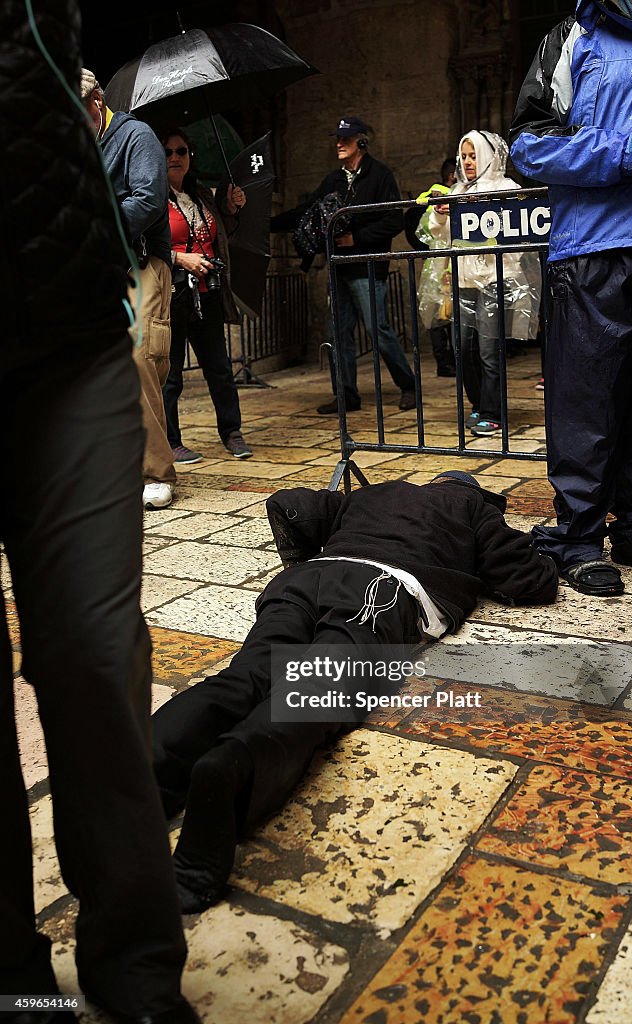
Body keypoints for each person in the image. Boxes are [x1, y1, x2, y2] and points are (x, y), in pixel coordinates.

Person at [2, 7, 197, 1024]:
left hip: (67, 323)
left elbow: (140, 200)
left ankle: (133, 963)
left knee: (91, 645)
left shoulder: (109, 120)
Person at [152, 471, 558, 913]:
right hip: (379, 591)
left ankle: (150, 767)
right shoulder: (473, 510)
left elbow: (291, 503)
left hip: (305, 581)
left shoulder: (375, 492)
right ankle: (236, 770)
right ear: (475, 495)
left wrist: (305, 556)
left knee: (246, 676)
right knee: (318, 687)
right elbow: (527, 580)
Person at [510, 0, 632, 596]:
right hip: (595, 248)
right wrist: (616, 152)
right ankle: (578, 537)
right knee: (588, 401)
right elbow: (527, 146)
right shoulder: (577, 35)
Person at [271, 116, 417, 415]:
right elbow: (307, 212)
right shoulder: (334, 180)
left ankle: (409, 386)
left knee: (378, 330)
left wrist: (357, 238)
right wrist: (267, 223)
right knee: (339, 332)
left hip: (366, 266)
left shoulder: (379, 175)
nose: (339, 143)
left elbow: (393, 219)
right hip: (339, 267)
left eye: (346, 139)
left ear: (361, 142)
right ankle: (346, 395)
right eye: (337, 138)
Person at [81, 69, 177, 510]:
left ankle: (156, 471)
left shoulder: (136, 135)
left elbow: (149, 199)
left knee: (140, 358)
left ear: (97, 101)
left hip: (140, 263)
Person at [419, 131, 540, 436]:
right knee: (463, 348)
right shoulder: (456, 189)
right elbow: (440, 236)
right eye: (464, 156)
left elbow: (521, 235)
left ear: (487, 155)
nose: (468, 162)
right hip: (463, 281)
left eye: (473, 155)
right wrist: (440, 214)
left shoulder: (506, 188)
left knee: (488, 349)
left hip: (494, 280)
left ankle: (494, 413)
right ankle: (478, 404)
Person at [160, 128, 252, 462]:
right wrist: (179, 257)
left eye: (181, 151)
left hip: (207, 292)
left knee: (219, 367)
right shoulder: (151, 196)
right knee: (170, 374)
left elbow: (218, 233)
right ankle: (171, 441)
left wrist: (230, 207)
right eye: (168, 152)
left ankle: (232, 433)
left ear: (189, 156)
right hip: (173, 295)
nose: (175, 158)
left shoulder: (200, 193)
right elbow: (141, 242)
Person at [405, 158, 459, 377]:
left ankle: (446, 362)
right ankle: (447, 363)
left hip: (438, 264)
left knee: (442, 315)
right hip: (443, 265)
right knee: (443, 316)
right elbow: (426, 230)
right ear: (451, 176)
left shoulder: (435, 194)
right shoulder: (440, 195)